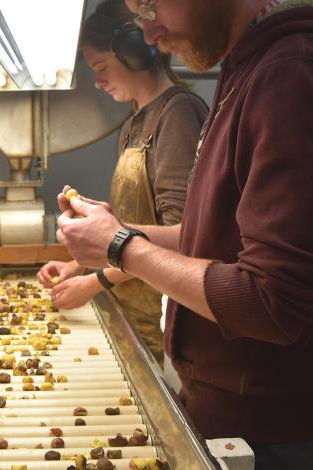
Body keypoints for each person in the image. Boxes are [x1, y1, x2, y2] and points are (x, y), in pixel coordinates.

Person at [55, 0, 313, 468]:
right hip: (237, 406)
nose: (147, 34)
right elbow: (210, 237)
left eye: (151, 3)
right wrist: (116, 232)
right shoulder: (251, 65)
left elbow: (271, 302)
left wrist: (121, 248)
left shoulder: (298, 74)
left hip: (271, 427)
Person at [36, 0, 208, 366]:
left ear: (137, 52)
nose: (97, 81)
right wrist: (79, 264)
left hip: (163, 318)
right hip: (132, 308)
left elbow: (182, 238)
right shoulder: (134, 123)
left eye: (101, 67)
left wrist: (95, 282)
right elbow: (130, 226)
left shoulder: (177, 114)